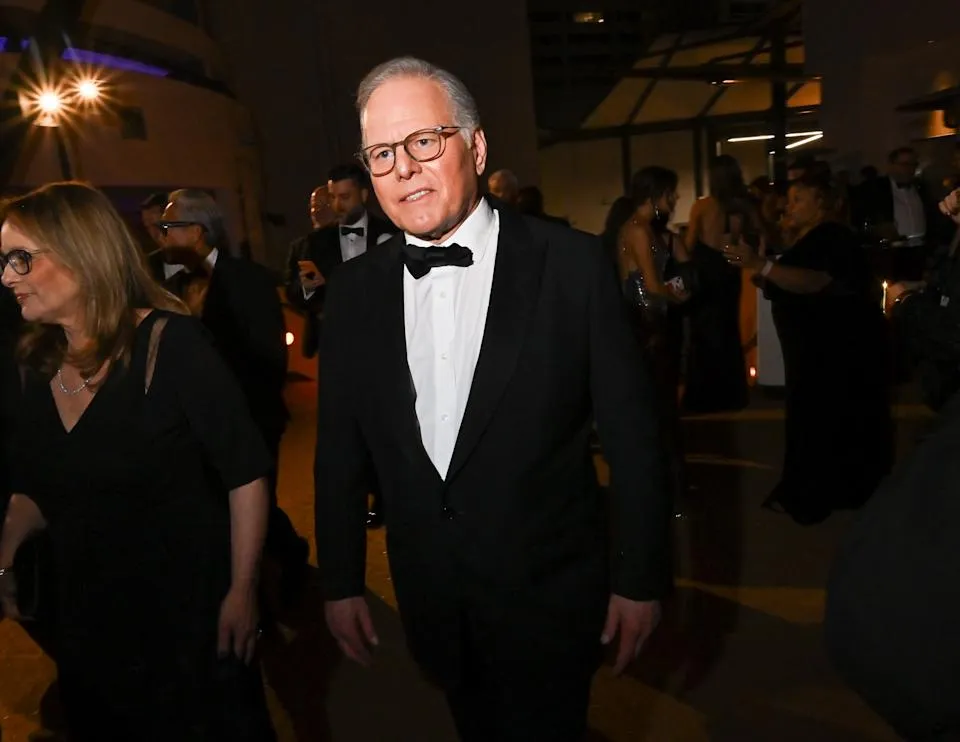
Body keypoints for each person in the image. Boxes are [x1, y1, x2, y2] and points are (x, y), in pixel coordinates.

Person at [314, 56, 669, 742]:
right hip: (431, 597)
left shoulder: (570, 264)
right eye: (382, 153)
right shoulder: (354, 292)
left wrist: (641, 577)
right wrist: (340, 580)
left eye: (424, 141)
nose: (405, 168)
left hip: (551, 598)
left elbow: (633, 437)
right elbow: (338, 453)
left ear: (475, 147)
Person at [0, 182, 275, 740]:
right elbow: (38, 489)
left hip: (188, 619)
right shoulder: (32, 365)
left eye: (20, 258)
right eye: (4, 261)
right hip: (90, 625)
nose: (7, 277)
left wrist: (242, 591)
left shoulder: (172, 346)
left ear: (81, 252)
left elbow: (244, 473)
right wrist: (5, 561)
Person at [724, 174, 893, 524]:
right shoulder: (814, 236)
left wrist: (763, 266)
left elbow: (816, 280)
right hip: (818, 351)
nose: (789, 205)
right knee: (821, 420)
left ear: (822, 204)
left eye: (799, 198)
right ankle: (832, 489)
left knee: (825, 420)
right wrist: (767, 272)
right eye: (790, 198)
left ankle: (824, 494)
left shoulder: (832, 235)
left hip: (832, 352)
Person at [616, 166, 690, 501]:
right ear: (654, 194)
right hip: (647, 326)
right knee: (661, 409)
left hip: (647, 323)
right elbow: (651, 286)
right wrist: (679, 295)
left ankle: (665, 487)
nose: (674, 199)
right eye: (670, 193)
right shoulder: (638, 230)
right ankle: (668, 490)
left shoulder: (641, 228)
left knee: (660, 408)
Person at [284, 166, 396, 361]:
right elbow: (294, 294)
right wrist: (307, 288)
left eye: (344, 197)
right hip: (334, 348)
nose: (337, 205)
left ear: (363, 195)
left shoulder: (392, 234)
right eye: (332, 197)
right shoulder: (316, 242)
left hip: (385, 342)